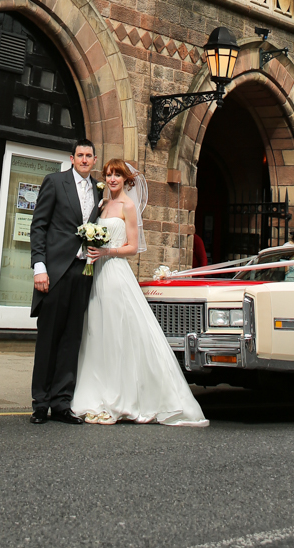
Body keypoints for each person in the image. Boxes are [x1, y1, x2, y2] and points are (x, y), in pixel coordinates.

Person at [71, 159, 208, 426]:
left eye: (117, 175)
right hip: (97, 274)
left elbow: (133, 247)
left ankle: (122, 397)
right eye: (109, 175)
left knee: (117, 332)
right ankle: (96, 392)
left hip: (115, 274)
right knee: (97, 332)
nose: (112, 179)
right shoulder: (102, 205)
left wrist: (106, 251)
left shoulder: (128, 206)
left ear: (126, 180)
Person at [28, 138, 101, 425]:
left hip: (83, 273)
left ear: (94, 160)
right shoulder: (55, 182)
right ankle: (40, 403)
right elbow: (39, 225)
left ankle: (61, 403)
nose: (84, 160)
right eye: (80, 155)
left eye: (89, 156)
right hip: (55, 272)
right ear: (72, 158)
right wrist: (39, 267)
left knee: (72, 340)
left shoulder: (99, 190)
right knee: (48, 340)